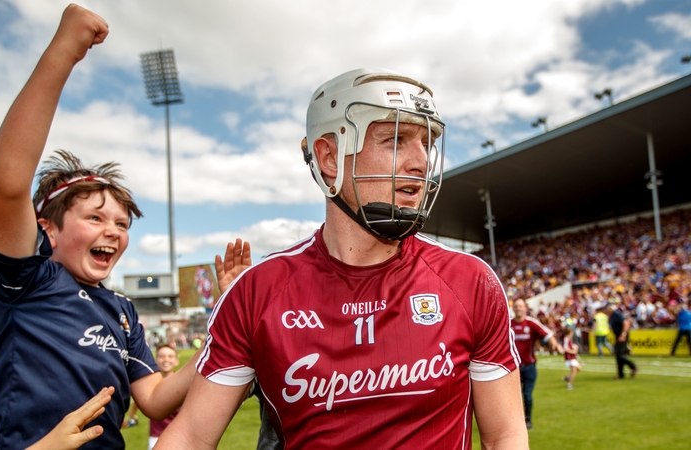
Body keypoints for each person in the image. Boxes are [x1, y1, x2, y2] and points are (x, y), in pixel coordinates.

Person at [156, 69, 528, 448]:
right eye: (395, 140)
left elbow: (504, 435)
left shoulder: (470, 280)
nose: (421, 162)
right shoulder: (256, 291)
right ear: (330, 157)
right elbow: (191, 436)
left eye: (427, 144)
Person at [0, 5, 198, 448]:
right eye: (95, 218)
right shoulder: (28, 280)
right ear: (47, 229)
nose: (114, 231)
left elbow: (156, 399)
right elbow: (5, 184)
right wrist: (66, 50)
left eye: (121, 223)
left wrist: (226, 331)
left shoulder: (122, 310)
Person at [510, 298, 561, 430]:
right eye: (516, 306)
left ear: (525, 308)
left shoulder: (531, 323)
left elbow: (548, 335)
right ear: (513, 308)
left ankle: (527, 420)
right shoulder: (508, 324)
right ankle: (512, 422)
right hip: (512, 368)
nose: (518, 308)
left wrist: (554, 345)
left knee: (527, 395)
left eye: (520, 306)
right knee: (511, 397)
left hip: (529, 367)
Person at [145, 345, 182, 449]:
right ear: (155, 360)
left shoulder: (182, 385)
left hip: (178, 437)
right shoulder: (150, 383)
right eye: (161, 356)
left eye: (170, 356)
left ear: (176, 361)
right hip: (156, 437)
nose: (166, 359)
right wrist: (130, 415)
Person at [608, 303, 638, 379]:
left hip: (622, 335)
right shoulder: (612, 316)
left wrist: (623, 335)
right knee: (618, 354)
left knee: (619, 353)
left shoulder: (616, 314)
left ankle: (633, 366)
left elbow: (626, 323)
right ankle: (621, 374)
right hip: (618, 335)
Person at [561, 325, 582, 389]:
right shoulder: (566, 339)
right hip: (569, 358)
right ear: (569, 333)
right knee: (574, 371)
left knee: (579, 368)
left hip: (572, 357)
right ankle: (569, 384)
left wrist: (575, 347)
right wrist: (573, 351)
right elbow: (565, 349)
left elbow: (570, 346)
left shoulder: (569, 339)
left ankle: (567, 377)